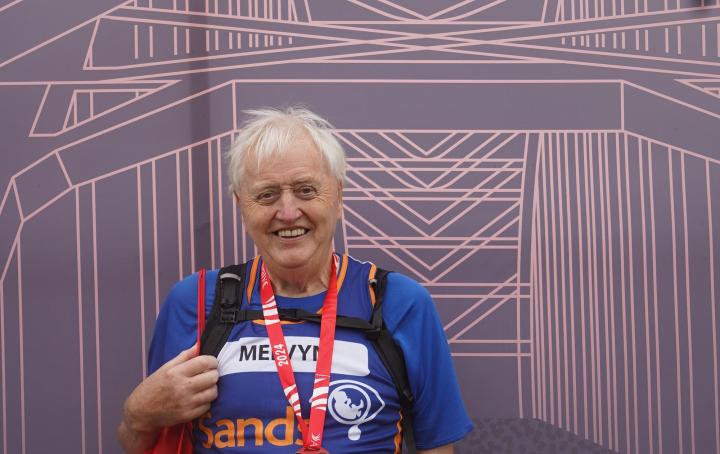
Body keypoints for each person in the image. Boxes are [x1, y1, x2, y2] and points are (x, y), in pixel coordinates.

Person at [118, 107, 473, 453]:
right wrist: (137, 416)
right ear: (242, 205)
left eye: (305, 190)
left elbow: (437, 446)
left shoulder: (399, 302)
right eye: (267, 194)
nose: (288, 213)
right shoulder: (195, 300)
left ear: (338, 196)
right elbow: (147, 442)